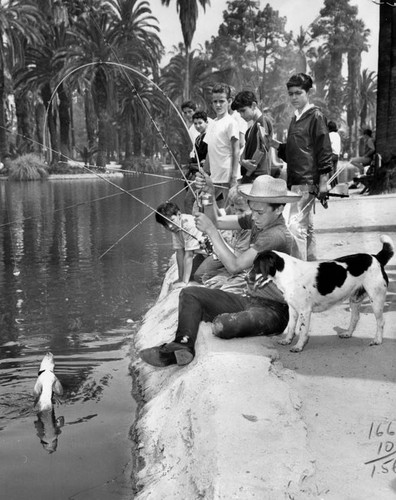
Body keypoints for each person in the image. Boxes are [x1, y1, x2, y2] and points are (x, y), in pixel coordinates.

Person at [139, 175, 301, 367]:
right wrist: (210, 193)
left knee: (223, 325)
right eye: (253, 210)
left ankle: (197, 331)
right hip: (250, 298)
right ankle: (181, 345)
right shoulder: (260, 220)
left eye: (259, 212)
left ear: (279, 209)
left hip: (276, 310)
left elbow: (234, 266)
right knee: (190, 294)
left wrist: (211, 232)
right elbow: (218, 220)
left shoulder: (276, 235)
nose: (254, 216)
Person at [270, 73, 333, 261]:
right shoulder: (295, 118)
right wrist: (274, 144)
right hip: (295, 180)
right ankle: (313, 267)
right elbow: (294, 152)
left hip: (307, 181)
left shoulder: (315, 116)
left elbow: (324, 151)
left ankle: (300, 271)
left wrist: (323, 182)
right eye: (290, 94)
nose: (294, 97)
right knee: (307, 226)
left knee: (295, 227)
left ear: (309, 92)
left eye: (298, 93)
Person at [193, 185, 251, 284]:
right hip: (228, 252)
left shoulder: (250, 226)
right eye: (232, 206)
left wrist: (215, 236)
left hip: (237, 260)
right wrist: (207, 195)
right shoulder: (238, 215)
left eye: (241, 210)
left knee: (201, 276)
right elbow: (215, 220)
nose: (235, 212)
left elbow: (236, 264)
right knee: (196, 273)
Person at [204, 83, 240, 207]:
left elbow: (236, 150)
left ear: (229, 101)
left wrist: (234, 177)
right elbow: (210, 150)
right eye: (215, 102)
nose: (218, 105)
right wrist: (204, 173)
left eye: (221, 101)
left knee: (228, 211)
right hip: (214, 178)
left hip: (227, 177)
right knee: (206, 207)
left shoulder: (231, 122)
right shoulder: (212, 123)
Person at [155, 202, 206, 289]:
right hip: (202, 254)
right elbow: (180, 252)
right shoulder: (175, 227)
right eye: (165, 224)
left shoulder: (189, 224)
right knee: (190, 275)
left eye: (171, 220)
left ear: (179, 214)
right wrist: (180, 278)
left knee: (198, 276)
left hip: (213, 253)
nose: (170, 226)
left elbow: (189, 254)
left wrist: (184, 282)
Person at [231, 91, 274, 184]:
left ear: (253, 105)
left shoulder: (263, 121)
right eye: (239, 112)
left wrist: (247, 172)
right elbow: (245, 151)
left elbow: (261, 150)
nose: (241, 115)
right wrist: (242, 161)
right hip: (251, 176)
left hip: (258, 178)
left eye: (243, 111)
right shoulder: (250, 128)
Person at [184, 111, 210, 214]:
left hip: (206, 175)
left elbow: (209, 156)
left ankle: (192, 222)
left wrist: (204, 162)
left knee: (189, 200)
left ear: (206, 122)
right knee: (201, 201)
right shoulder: (197, 138)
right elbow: (196, 157)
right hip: (198, 174)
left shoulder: (210, 137)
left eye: (200, 123)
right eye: (195, 124)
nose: (198, 126)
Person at [328, 121, 342, 188]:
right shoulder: (337, 135)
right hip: (337, 154)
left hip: (331, 154)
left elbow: (328, 145)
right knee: (335, 171)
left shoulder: (329, 135)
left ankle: (332, 186)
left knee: (330, 171)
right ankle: (336, 185)